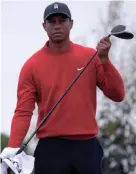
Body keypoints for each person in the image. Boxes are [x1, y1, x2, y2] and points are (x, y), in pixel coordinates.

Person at [1, 1, 125, 174]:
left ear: (71, 23)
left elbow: (118, 94)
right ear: (44, 26)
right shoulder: (31, 66)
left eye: (62, 20)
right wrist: (12, 150)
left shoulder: (91, 56)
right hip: (50, 150)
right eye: (52, 21)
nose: (57, 26)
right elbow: (23, 111)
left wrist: (105, 61)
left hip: (86, 148)